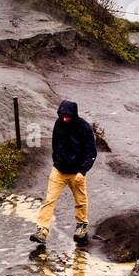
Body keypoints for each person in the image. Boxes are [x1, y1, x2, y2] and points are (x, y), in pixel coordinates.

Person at [31, 99, 97, 249]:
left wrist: (83, 171)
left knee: (80, 201)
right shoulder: (59, 123)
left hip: (77, 173)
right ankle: (42, 231)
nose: (65, 118)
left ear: (74, 114)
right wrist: (58, 160)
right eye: (63, 115)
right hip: (59, 170)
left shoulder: (84, 128)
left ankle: (81, 227)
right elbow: (55, 143)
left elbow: (91, 152)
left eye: (68, 116)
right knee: (49, 200)